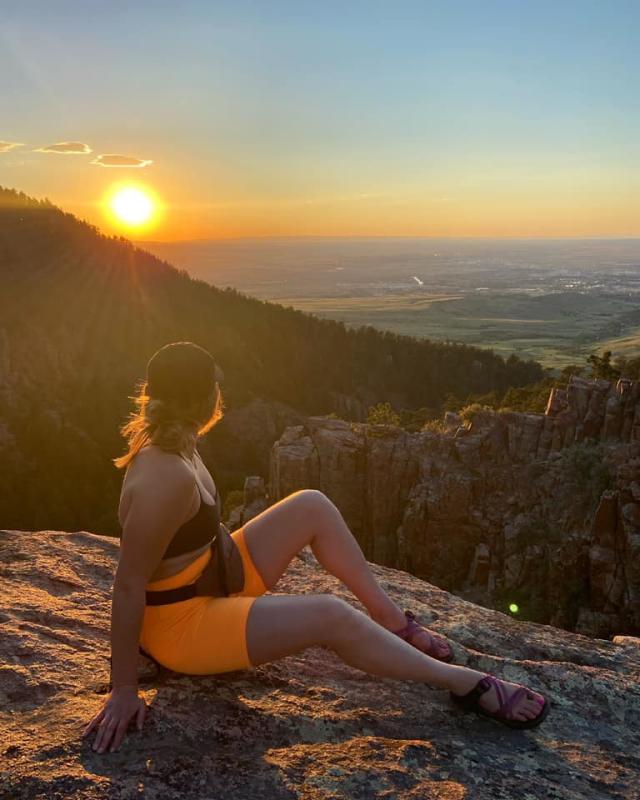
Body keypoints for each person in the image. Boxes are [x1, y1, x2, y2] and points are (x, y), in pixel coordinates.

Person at [83, 341, 549, 754]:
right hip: (183, 627)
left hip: (215, 576)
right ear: (207, 397)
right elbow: (127, 585)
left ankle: (393, 622)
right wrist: (123, 686)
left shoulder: (179, 440)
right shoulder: (163, 477)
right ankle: (462, 684)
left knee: (312, 505)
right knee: (330, 614)